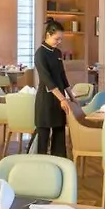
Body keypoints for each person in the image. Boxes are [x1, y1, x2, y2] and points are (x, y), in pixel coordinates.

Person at [34, 19, 75, 157]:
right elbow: (47, 80)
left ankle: (59, 162)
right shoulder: (40, 54)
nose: (59, 42)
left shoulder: (57, 53)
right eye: (57, 39)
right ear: (48, 35)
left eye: (61, 39)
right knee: (43, 138)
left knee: (59, 134)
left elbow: (62, 76)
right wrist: (63, 99)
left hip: (60, 98)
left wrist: (71, 96)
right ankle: (41, 165)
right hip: (46, 100)